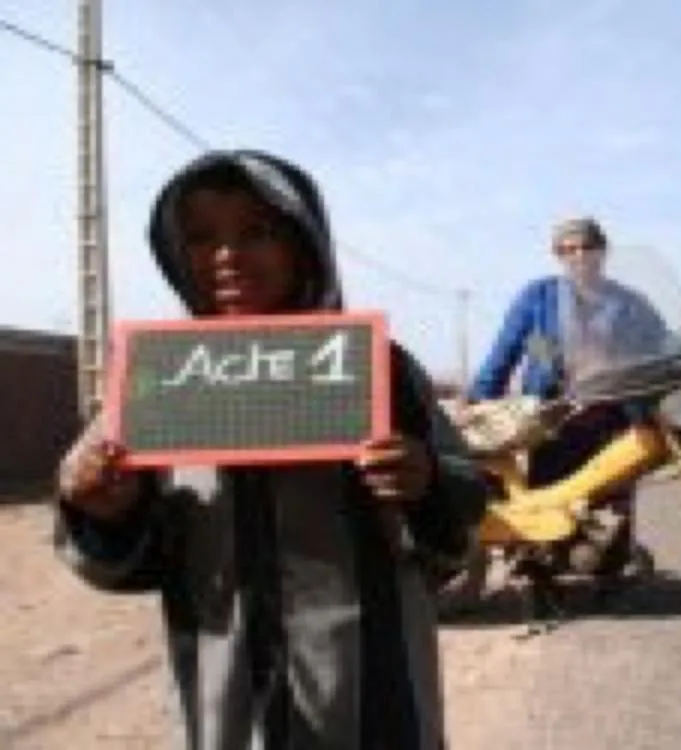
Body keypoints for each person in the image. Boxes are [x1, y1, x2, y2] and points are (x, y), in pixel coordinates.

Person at [54, 150, 486, 749]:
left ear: (304, 244)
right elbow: (121, 557)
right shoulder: (155, 381)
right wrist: (103, 512)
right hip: (225, 700)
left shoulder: (379, 370)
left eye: (256, 232)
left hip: (371, 698)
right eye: (201, 237)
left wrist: (427, 483)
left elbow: (462, 522)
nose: (226, 255)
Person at [468, 217, 666, 599]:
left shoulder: (628, 301)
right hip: (556, 412)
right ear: (558, 255)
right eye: (568, 249)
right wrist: (480, 399)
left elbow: (661, 341)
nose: (578, 255)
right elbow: (506, 349)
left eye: (587, 246)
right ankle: (539, 571)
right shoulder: (539, 296)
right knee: (550, 499)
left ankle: (608, 565)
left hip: (614, 411)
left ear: (602, 251)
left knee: (613, 491)